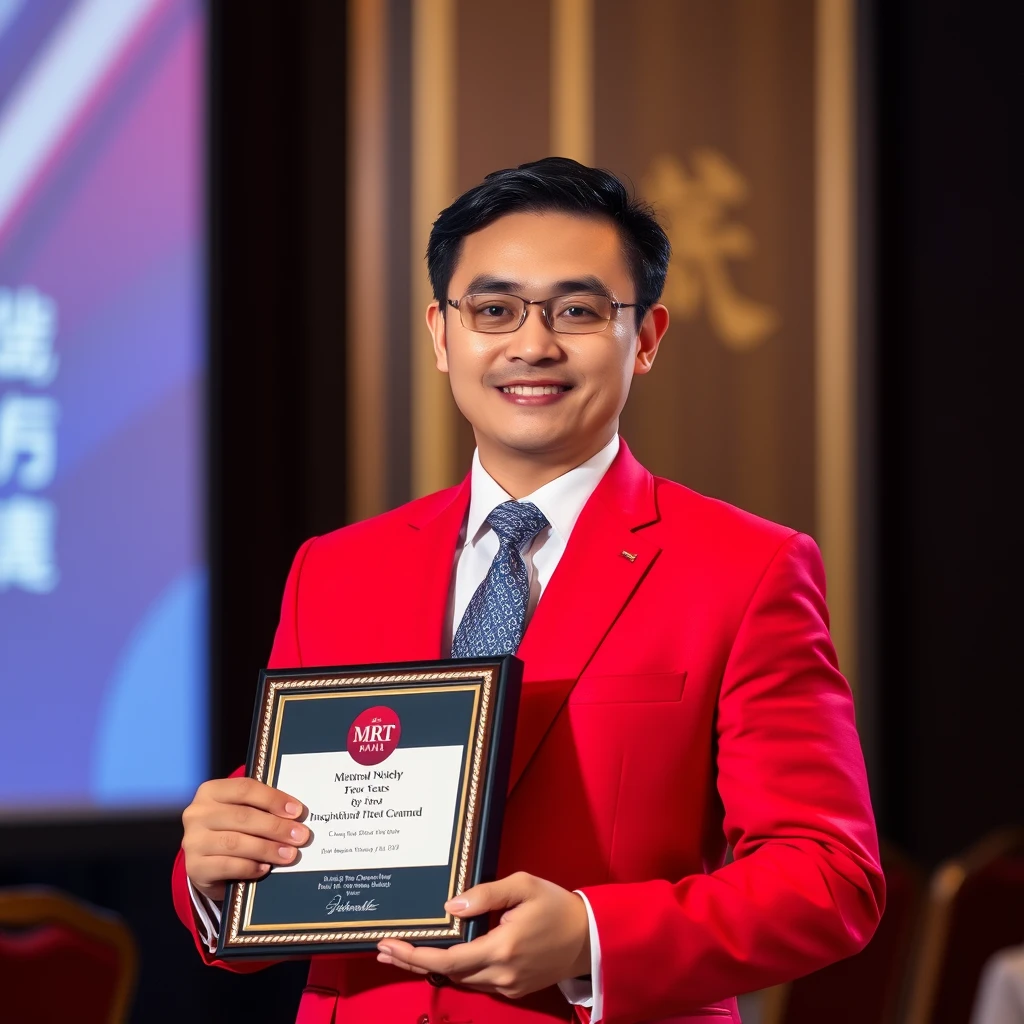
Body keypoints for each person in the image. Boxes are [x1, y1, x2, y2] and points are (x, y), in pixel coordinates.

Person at [172, 157, 884, 1024]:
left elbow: (829, 877)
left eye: (578, 311)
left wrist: (591, 934)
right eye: (494, 310)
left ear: (648, 336)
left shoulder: (746, 568)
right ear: (442, 334)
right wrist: (211, 867)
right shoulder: (336, 568)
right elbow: (282, 822)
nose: (532, 345)